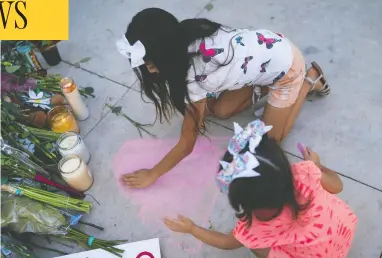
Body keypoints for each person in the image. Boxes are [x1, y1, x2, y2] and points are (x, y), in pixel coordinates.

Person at [117, 8, 331, 188]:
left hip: (287, 69)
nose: (147, 68)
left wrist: (153, 174)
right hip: (267, 51)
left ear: (167, 55)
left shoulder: (193, 77)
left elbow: (187, 143)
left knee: (269, 143)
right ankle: (265, 83)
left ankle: (307, 81)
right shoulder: (184, 34)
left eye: (150, 62)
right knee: (220, 110)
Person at [164, 120, 357, 258]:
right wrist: (317, 165)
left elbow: (226, 243)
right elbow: (337, 186)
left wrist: (192, 229)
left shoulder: (254, 229)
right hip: (343, 232)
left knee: (256, 247)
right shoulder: (306, 172)